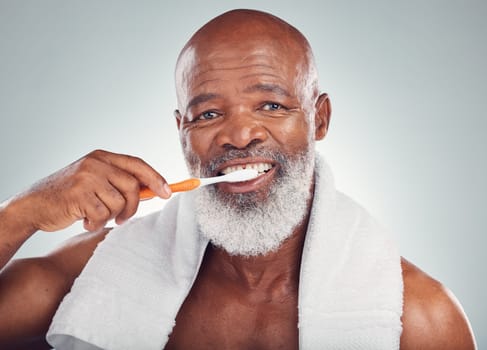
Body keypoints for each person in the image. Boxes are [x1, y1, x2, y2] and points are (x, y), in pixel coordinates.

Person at [0, 9, 476, 350]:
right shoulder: (94, 274)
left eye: (271, 105)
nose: (238, 134)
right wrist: (22, 213)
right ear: (182, 132)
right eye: (207, 113)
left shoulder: (419, 318)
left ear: (320, 119)